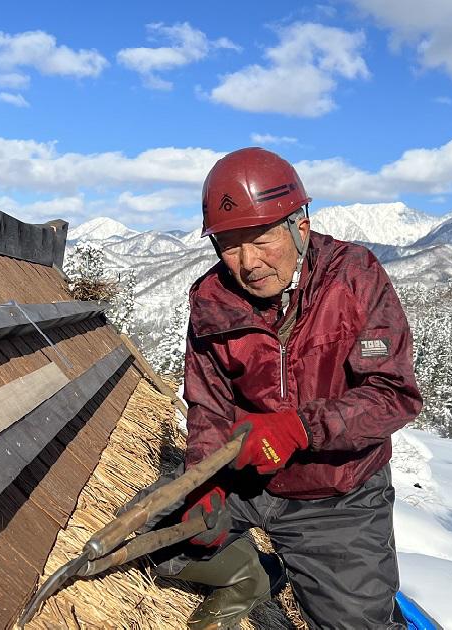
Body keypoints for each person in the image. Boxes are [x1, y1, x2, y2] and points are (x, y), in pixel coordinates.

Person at [163, 147, 423, 629]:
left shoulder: (354, 278)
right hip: (250, 481)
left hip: (338, 495)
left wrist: (301, 429)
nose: (248, 262)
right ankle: (247, 574)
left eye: (261, 238)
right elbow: (207, 406)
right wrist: (205, 481)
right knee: (155, 530)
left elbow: (394, 394)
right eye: (229, 245)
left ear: (298, 226)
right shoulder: (211, 300)